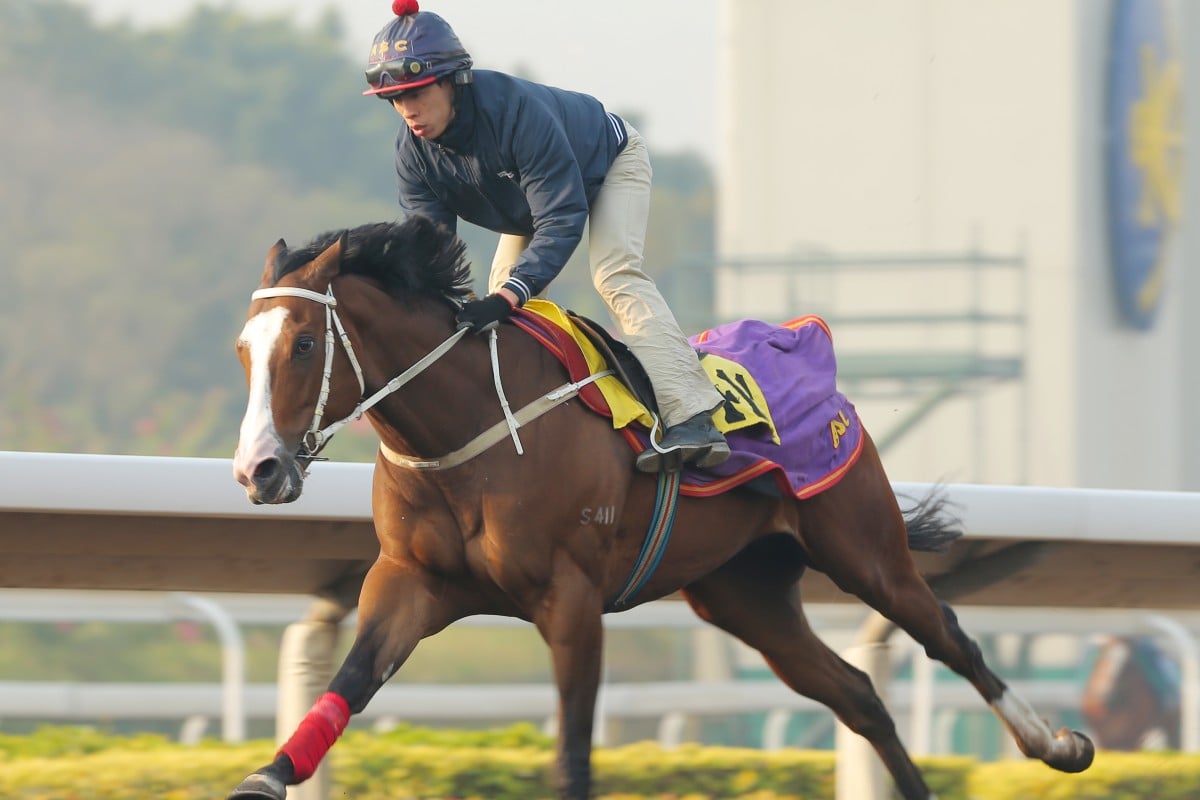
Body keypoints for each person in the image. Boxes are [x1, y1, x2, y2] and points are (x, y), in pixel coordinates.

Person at [363, 0, 729, 473]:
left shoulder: (516, 113)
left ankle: (693, 417)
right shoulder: (412, 153)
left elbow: (560, 217)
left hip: (607, 164)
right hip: (530, 201)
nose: (407, 110)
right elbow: (431, 250)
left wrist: (509, 295)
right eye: (395, 99)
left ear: (454, 80)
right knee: (505, 298)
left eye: (416, 92)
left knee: (614, 275)